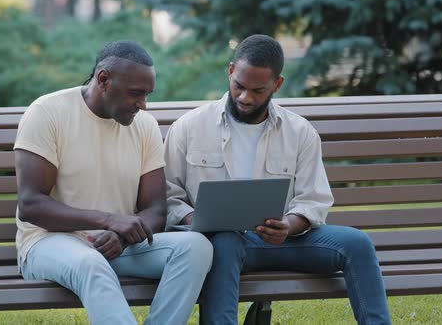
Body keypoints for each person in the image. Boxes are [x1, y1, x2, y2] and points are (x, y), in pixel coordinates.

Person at [164, 34, 391, 324]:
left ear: (277, 84)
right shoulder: (189, 127)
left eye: (258, 90)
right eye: (239, 86)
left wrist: (290, 225)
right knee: (224, 243)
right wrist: (195, 221)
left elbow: (313, 200)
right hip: (221, 245)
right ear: (231, 71)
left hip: (283, 240)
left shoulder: (299, 131)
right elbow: (170, 197)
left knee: (357, 244)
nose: (245, 98)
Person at [14, 40, 213, 325]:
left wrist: (120, 236)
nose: (143, 104)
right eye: (136, 94)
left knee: (197, 247)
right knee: (90, 263)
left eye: (147, 95)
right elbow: (32, 205)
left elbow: (155, 210)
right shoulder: (47, 112)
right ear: (104, 79)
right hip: (48, 243)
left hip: (115, 246)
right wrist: (109, 221)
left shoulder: (144, 126)